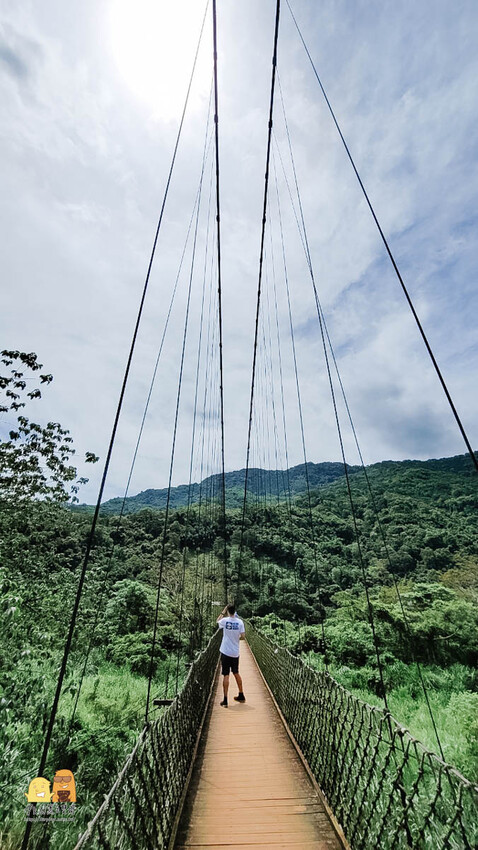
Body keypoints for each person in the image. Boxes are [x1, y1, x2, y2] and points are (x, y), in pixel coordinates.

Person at [216, 603, 246, 708]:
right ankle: (241, 694)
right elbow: (243, 636)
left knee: (226, 675)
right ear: (235, 610)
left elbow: (217, 621)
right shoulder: (240, 622)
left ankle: (225, 700)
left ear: (228, 611)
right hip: (235, 652)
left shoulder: (225, 621)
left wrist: (223, 611)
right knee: (236, 672)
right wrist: (236, 639)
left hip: (225, 652)